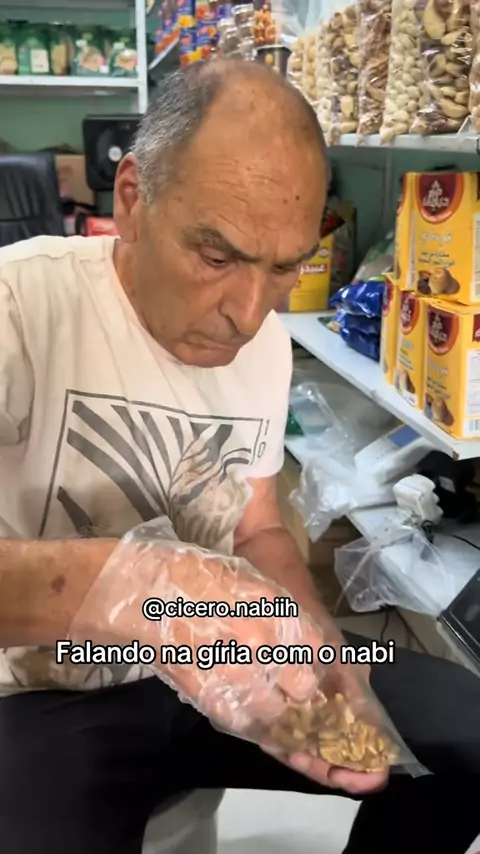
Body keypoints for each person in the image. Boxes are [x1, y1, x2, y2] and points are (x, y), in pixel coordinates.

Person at [0, 59, 478, 854]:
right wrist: (142, 585)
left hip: (227, 656)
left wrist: (314, 644)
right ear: (132, 201)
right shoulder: (20, 308)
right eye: (216, 257)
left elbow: (256, 523)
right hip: (47, 685)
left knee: (465, 730)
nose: (250, 314)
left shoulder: (265, 345)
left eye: (285, 266)